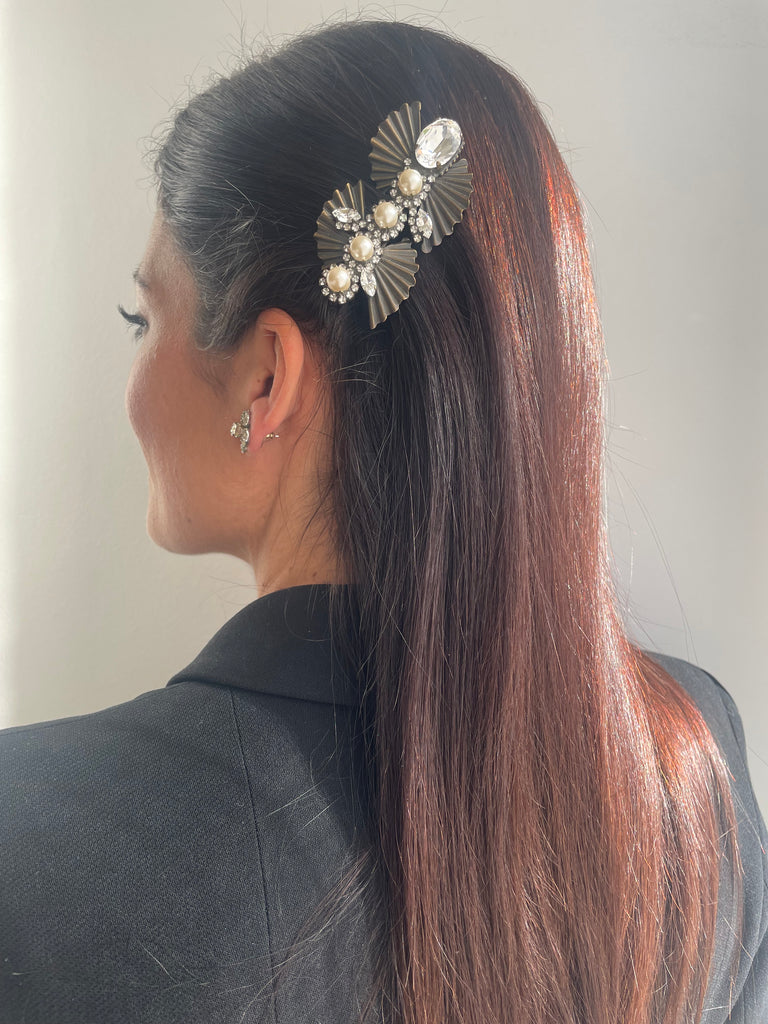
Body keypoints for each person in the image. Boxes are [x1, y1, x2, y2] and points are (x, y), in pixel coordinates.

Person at [1, 18, 766, 1024]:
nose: (133, 380)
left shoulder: (34, 841)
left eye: (143, 321)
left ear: (267, 376)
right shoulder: (692, 772)